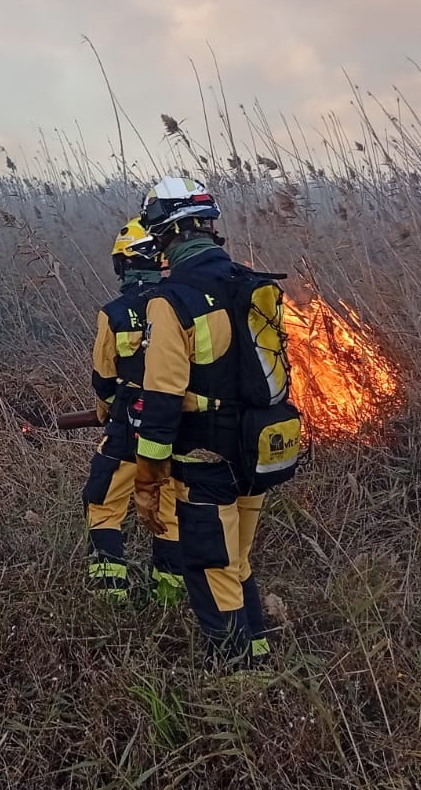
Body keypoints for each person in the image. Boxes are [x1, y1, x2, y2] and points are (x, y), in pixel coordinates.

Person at [132, 176, 278, 667]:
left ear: (164, 234)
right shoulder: (250, 282)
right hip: (259, 450)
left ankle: (237, 676)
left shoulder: (172, 299)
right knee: (237, 559)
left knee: (210, 562)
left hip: (206, 457)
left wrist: (148, 478)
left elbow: (161, 398)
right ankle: (257, 655)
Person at [82, 219, 183, 604]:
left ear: (125, 265)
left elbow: (104, 376)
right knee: (168, 511)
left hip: (127, 428)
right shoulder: (179, 305)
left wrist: (106, 406)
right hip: (173, 428)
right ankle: (168, 598)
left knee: (103, 503)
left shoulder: (115, 313)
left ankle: (111, 599)